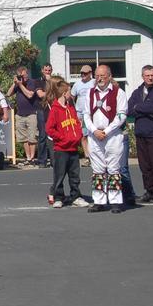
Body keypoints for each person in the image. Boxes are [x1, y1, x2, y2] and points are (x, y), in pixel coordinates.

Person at [85, 65, 128, 214]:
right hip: (95, 136)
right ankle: (99, 201)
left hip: (113, 136)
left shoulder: (119, 92)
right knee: (97, 170)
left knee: (113, 168)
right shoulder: (90, 93)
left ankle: (115, 201)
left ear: (109, 76)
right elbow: (86, 115)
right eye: (97, 75)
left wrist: (107, 131)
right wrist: (94, 130)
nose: (100, 78)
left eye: (103, 75)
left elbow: (122, 115)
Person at [44, 77, 89, 208]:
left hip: (73, 148)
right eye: (69, 91)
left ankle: (76, 196)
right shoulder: (55, 109)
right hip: (61, 149)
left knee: (75, 175)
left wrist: (78, 134)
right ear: (64, 93)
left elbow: (76, 124)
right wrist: (62, 138)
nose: (71, 93)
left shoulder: (71, 108)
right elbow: (49, 129)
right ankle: (59, 197)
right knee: (59, 175)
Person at [128, 65, 153, 205]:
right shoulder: (137, 92)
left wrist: (138, 107)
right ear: (143, 76)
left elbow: (152, 108)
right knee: (144, 165)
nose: (150, 78)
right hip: (141, 132)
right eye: (147, 75)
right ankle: (149, 191)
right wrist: (140, 108)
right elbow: (129, 110)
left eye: (152, 75)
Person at [8, 66, 40, 166]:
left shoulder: (32, 82)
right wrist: (14, 83)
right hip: (20, 114)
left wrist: (21, 85)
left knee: (32, 137)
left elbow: (30, 95)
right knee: (23, 138)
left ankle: (32, 158)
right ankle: (28, 157)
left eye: (24, 74)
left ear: (27, 73)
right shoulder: (17, 84)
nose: (23, 77)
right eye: (21, 75)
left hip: (31, 113)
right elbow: (8, 94)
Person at [70, 65, 94, 163]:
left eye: (85, 73)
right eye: (82, 73)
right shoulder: (77, 84)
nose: (83, 75)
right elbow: (72, 97)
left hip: (91, 113)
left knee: (91, 135)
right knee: (83, 135)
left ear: (90, 73)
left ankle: (93, 156)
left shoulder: (94, 83)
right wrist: (73, 111)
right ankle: (87, 156)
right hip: (80, 113)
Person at [36, 63, 53, 167]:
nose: (47, 72)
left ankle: (53, 160)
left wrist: (50, 82)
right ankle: (42, 161)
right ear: (42, 71)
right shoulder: (38, 81)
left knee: (52, 136)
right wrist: (50, 91)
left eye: (49, 70)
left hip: (52, 110)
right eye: (46, 70)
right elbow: (40, 94)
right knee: (42, 136)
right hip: (42, 110)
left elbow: (58, 92)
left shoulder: (53, 81)